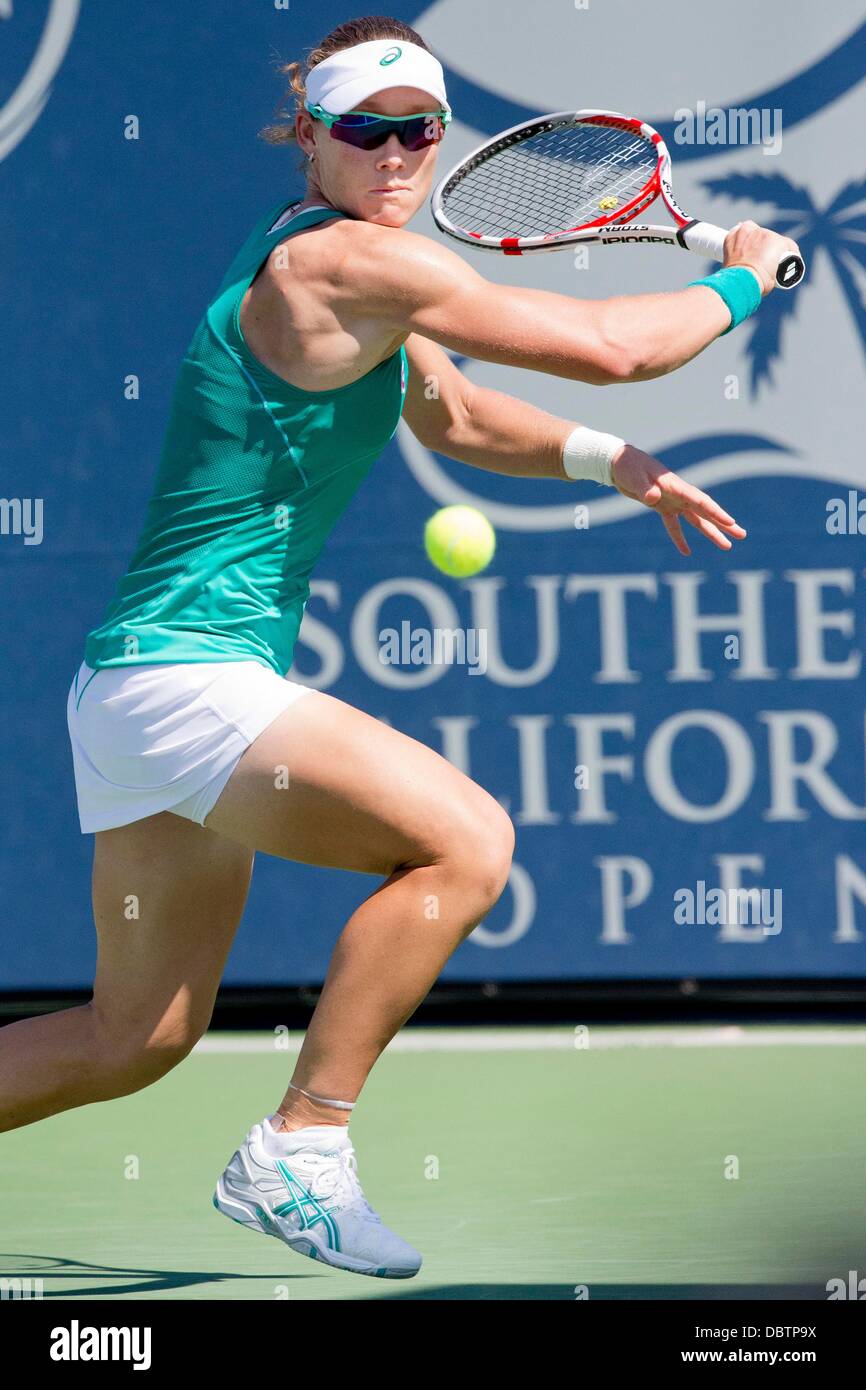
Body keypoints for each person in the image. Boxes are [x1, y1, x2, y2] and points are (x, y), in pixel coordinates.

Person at [0, 15, 800, 1280]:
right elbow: (611, 347)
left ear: (439, 137)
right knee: (468, 843)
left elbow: (461, 410)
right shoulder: (339, 267)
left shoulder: (344, 266)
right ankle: (301, 1148)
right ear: (309, 138)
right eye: (361, 129)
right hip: (185, 678)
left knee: (132, 1038)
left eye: (414, 129)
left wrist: (613, 463)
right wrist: (747, 273)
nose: (391, 153)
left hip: (137, 687)